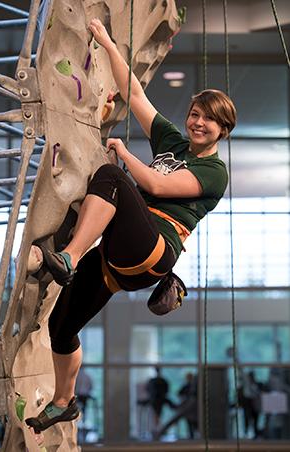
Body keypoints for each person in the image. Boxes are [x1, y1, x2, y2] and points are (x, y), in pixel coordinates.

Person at [25, 18, 236, 432]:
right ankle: (64, 401)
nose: (197, 123)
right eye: (195, 114)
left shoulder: (214, 171)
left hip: (155, 249)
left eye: (208, 120)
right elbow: (135, 93)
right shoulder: (173, 142)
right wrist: (104, 41)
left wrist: (123, 150)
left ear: (222, 130)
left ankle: (68, 256)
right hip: (117, 260)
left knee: (113, 176)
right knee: (61, 326)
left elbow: (156, 182)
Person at [155, 372, 198, 440]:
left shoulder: (192, 390)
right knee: (188, 424)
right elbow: (179, 393)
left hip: (191, 409)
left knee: (190, 424)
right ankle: (160, 433)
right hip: (189, 408)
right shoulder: (187, 387)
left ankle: (160, 433)